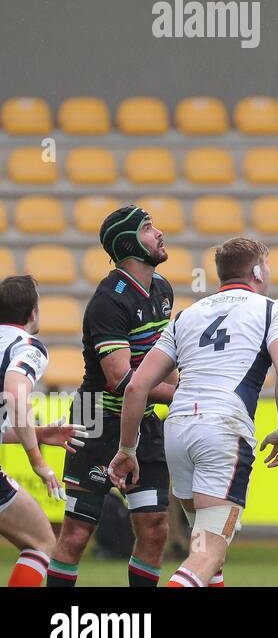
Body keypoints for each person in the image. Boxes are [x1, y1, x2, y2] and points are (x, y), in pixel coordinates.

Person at [110, 237, 278, 588]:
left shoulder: (187, 315)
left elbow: (137, 386)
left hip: (179, 430)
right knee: (207, 552)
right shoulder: (272, 310)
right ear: (258, 271)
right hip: (222, 430)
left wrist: (127, 449)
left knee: (207, 547)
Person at [50, 205, 176, 588]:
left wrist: (183, 388)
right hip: (94, 419)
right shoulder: (109, 301)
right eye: (149, 229)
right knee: (75, 535)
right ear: (128, 243)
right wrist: (178, 394)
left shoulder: (163, 290)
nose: (159, 234)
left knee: (154, 529)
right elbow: (121, 379)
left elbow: (164, 361)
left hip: (142, 420)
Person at [0, 275, 86, 586]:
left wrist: (37, 432)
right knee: (41, 544)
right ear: (34, 313)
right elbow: (15, 392)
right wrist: (38, 462)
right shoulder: (27, 346)